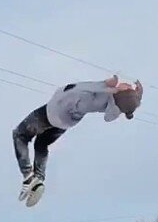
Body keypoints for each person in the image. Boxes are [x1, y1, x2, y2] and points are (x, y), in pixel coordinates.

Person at [12, 75, 142, 206]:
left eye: (127, 86)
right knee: (41, 143)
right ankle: (38, 179)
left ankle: (28, 177)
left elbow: (77, 89)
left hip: (54, 112)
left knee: (20, 134)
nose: (127, 84)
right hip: (65, 123)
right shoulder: (112, 106)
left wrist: (103, 84)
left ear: (120, 93)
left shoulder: (99, 95)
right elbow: (127, 105)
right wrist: (136, 96)